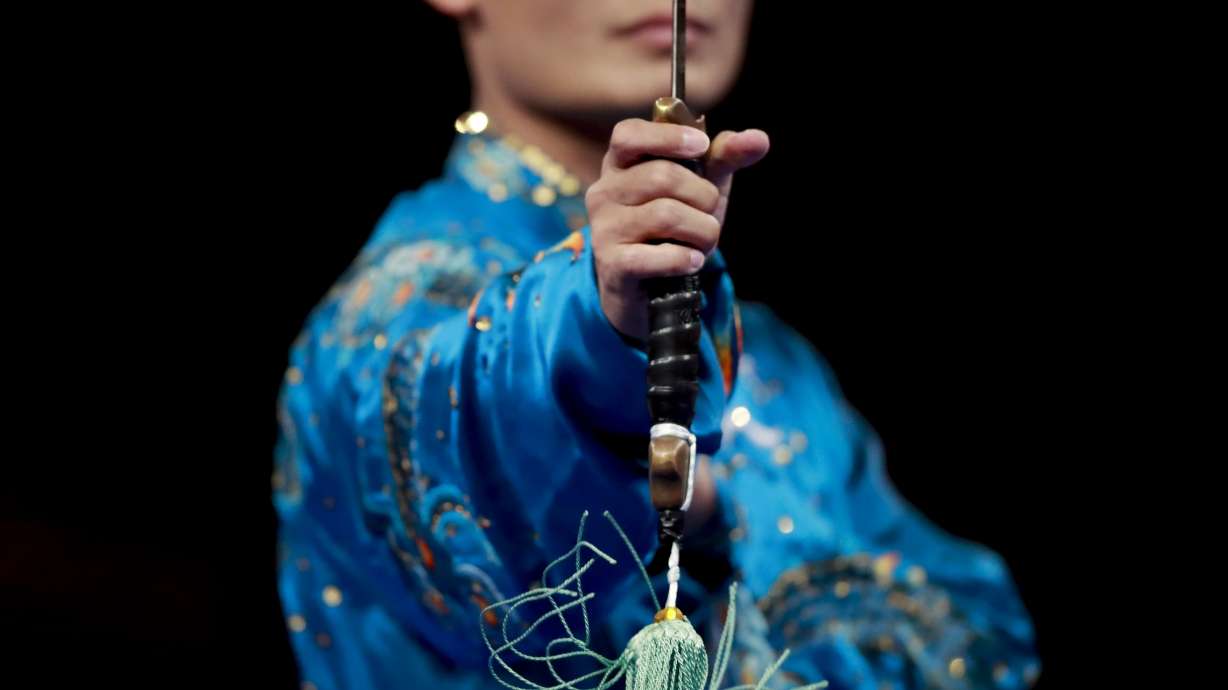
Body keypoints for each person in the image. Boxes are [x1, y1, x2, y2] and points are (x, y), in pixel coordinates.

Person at [273, 2, 1040, 688]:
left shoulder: (776, 360)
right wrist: (599, 334)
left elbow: (984, 631)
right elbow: (451, 414)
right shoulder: (391, 311)